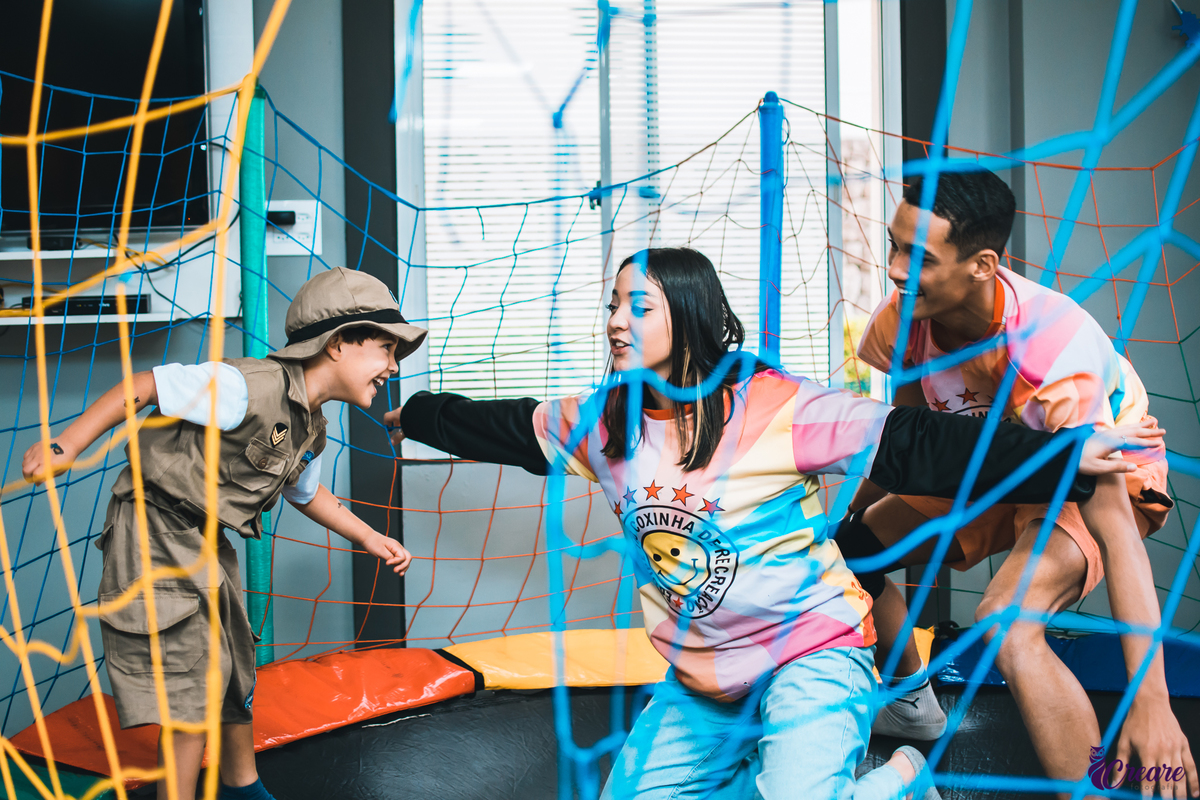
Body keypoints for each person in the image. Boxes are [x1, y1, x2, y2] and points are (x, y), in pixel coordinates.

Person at [385, 247, 1152, 800]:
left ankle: (896, 786)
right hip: (702, 678)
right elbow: (508, 427)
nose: (616, 322)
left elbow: (921, 444)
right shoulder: (601, 422)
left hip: (813, 657)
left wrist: (1065, 458)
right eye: (612, 306)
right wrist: (412, 414)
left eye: (637, 306)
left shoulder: (780, 408)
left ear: (684, 317)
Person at [844, 169, 1197, 798]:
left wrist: (1153, 703)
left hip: (1098, 478)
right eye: (894, 246)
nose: (896, 269)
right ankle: (911, 706)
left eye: (919, 257)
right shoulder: (903, 320)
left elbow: (1119, 536)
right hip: (992, 468)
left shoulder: (1054, 353)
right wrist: (852, 533)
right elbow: (905, 437)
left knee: (1006, 624)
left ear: (983, 264)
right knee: (851, 554)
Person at [23, 267, 426, 800]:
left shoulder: (310, 425)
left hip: (205, 539)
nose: (392, 366)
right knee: (191, 682)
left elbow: (307, 494)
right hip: (153, 528)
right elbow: (144, 388)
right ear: (336, 345)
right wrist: (65, 445)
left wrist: (370, 536)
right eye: (384, 348)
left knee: (235, 666)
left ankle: (241, 784)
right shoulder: (244, 387)